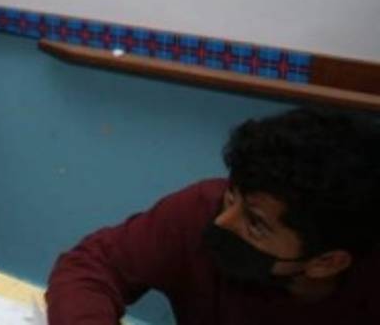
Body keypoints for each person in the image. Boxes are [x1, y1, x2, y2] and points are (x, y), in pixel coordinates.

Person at [46, 107, 380, 324]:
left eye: (256, 224)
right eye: (232, 194)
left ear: (327, 262)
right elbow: (94, 264)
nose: (224, 221)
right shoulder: (203, 208)